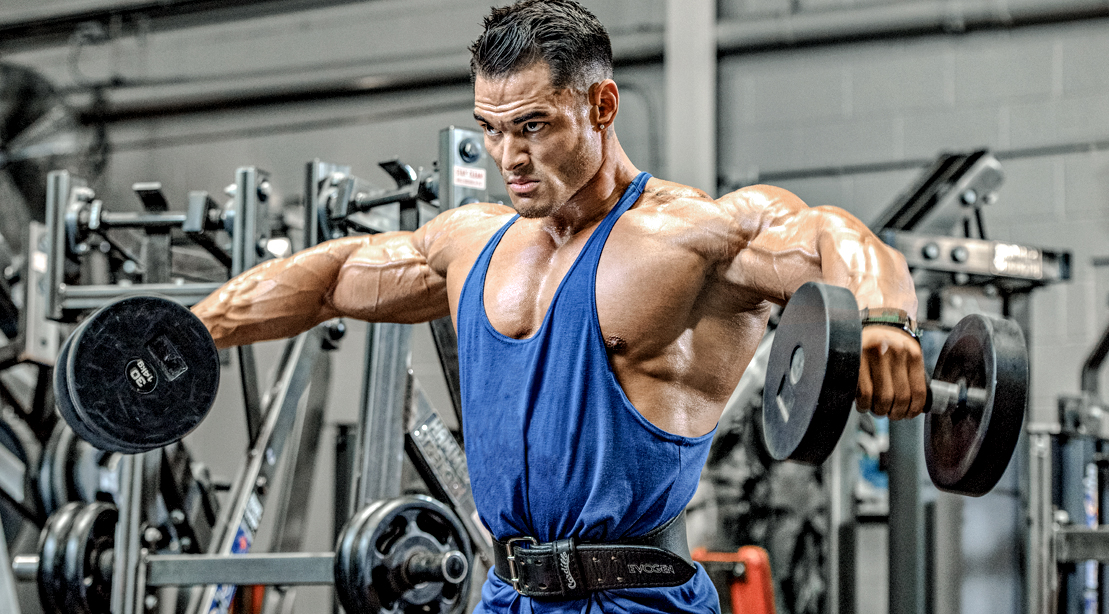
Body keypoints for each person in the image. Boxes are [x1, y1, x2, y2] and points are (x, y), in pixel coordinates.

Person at [192, 1, 927, 611]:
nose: (507, 156)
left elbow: (835, 233)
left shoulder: (691, 238)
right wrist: (185, 334)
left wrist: (883, 318)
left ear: (601, 105)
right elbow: (330, 276)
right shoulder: (471, 241)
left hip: (635, 599)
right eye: (491, 128)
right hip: (504, 594)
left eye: (533, 125)